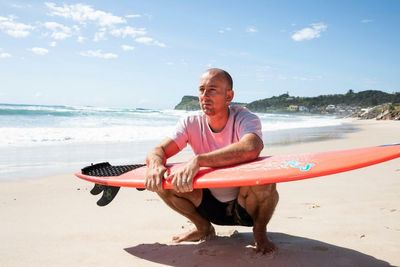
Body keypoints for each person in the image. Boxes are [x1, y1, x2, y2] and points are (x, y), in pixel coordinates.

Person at [145, 68, 279, 254]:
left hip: (245, 205)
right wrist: (155, 165)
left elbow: (251, 147)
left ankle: (260, 231)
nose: (204, 96)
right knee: (164, 181)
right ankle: (203, 228)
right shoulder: (191, 122)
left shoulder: (244, 117)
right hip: (208, 204)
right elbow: (158, 150)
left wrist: (199, 160)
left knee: (266, 180)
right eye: (201, 90)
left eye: (212, 90)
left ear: (229, 95)